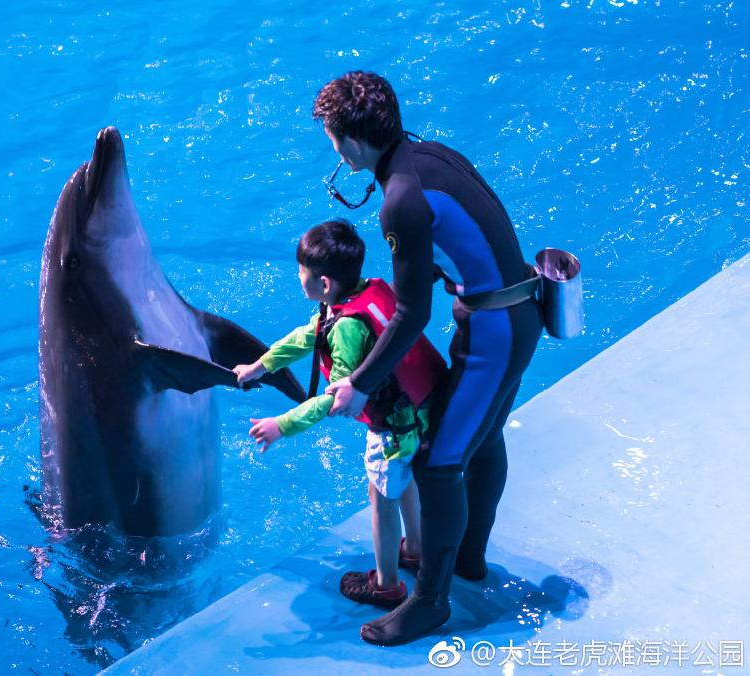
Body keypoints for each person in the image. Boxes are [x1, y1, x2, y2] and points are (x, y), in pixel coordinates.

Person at [311, 71, 544, 646]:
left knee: (439, 462)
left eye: (332, 138)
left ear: (354, 142)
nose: (333, 149)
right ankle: (466, 560)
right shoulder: (427, 155)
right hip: (515, 311)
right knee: (482, 439)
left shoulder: (400, 203)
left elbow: (411, 314)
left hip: (494, 334)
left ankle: (430, 601)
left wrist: (361, 383)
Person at [233, 219, 446, 609]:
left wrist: (281, 425)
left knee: (381, 500)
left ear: (324, 283)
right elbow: (307, 336)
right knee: (405, 483)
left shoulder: (347, 328)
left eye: (301, 271)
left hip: (391, 433)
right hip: (416, 419)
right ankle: (414, 548)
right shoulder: (361, 295)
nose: (298, 276)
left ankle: (386, 585)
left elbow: (337, 398)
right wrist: (260, 365)